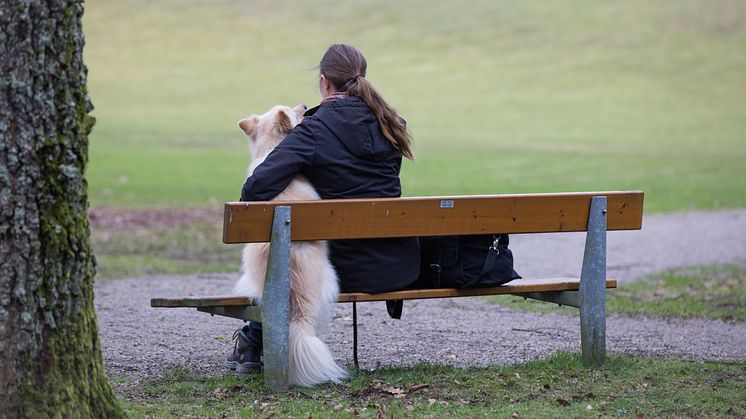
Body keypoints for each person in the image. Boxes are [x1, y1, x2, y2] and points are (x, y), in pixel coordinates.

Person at [226, 44, 420, 372]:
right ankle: (256, 337)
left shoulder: (313, 129)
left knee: (290, 251)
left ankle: (254, 338)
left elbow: (255, 189)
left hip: (339, 265)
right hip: (393, 262)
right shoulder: (390, 123)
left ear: (324, 81)